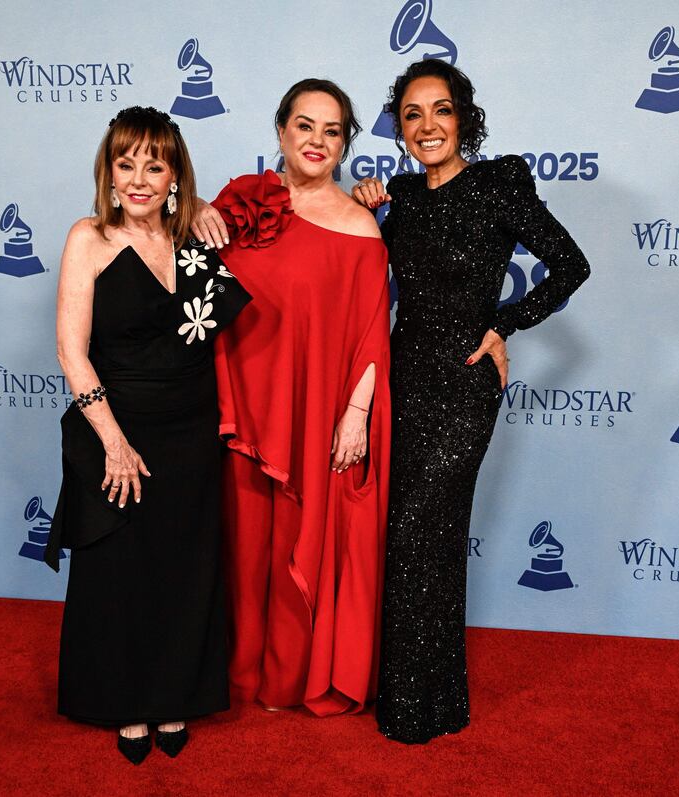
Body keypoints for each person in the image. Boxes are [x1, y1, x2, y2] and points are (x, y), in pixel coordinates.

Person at [352, 60, 591, 744]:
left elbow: (570, 263)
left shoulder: (497, 185)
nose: (428, 125)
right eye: (413, 114)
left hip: (463, 383)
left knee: (421, 529)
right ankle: (425, 697)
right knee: (412, 538)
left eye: (442, 110)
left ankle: (419, 705)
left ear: (464, 118)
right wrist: (363, 205)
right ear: (399, 127)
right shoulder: (398, 197)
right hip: (405, 377)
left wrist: (504, 324)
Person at [44, 106, 250, 763]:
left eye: (153, 165)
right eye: (125, 163)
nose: (138, 178)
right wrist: (112, 439)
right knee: (121, 572)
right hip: (117, 427)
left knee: (183, 569)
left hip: (191, 427)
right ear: (108, 171)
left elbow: (275, 222)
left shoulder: (193, 235)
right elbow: (73, 353)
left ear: (173, 174)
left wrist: (209, 204)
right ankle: (125, 702)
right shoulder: (89, 238)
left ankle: (171, 696)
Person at [193, 79, 391, 715]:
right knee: (237, 548)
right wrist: (187, 203)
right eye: (305, 125)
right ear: (280, 131)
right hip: (234, 410)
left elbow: (368, 335)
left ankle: (286, 674)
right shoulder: (238, 201)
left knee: (288, 551)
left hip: (311, 415)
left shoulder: (361, 226)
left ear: (345, 145)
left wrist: (355, 416)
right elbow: (178, 265)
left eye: (332, 131)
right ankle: (232, 674)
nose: (317, 141)